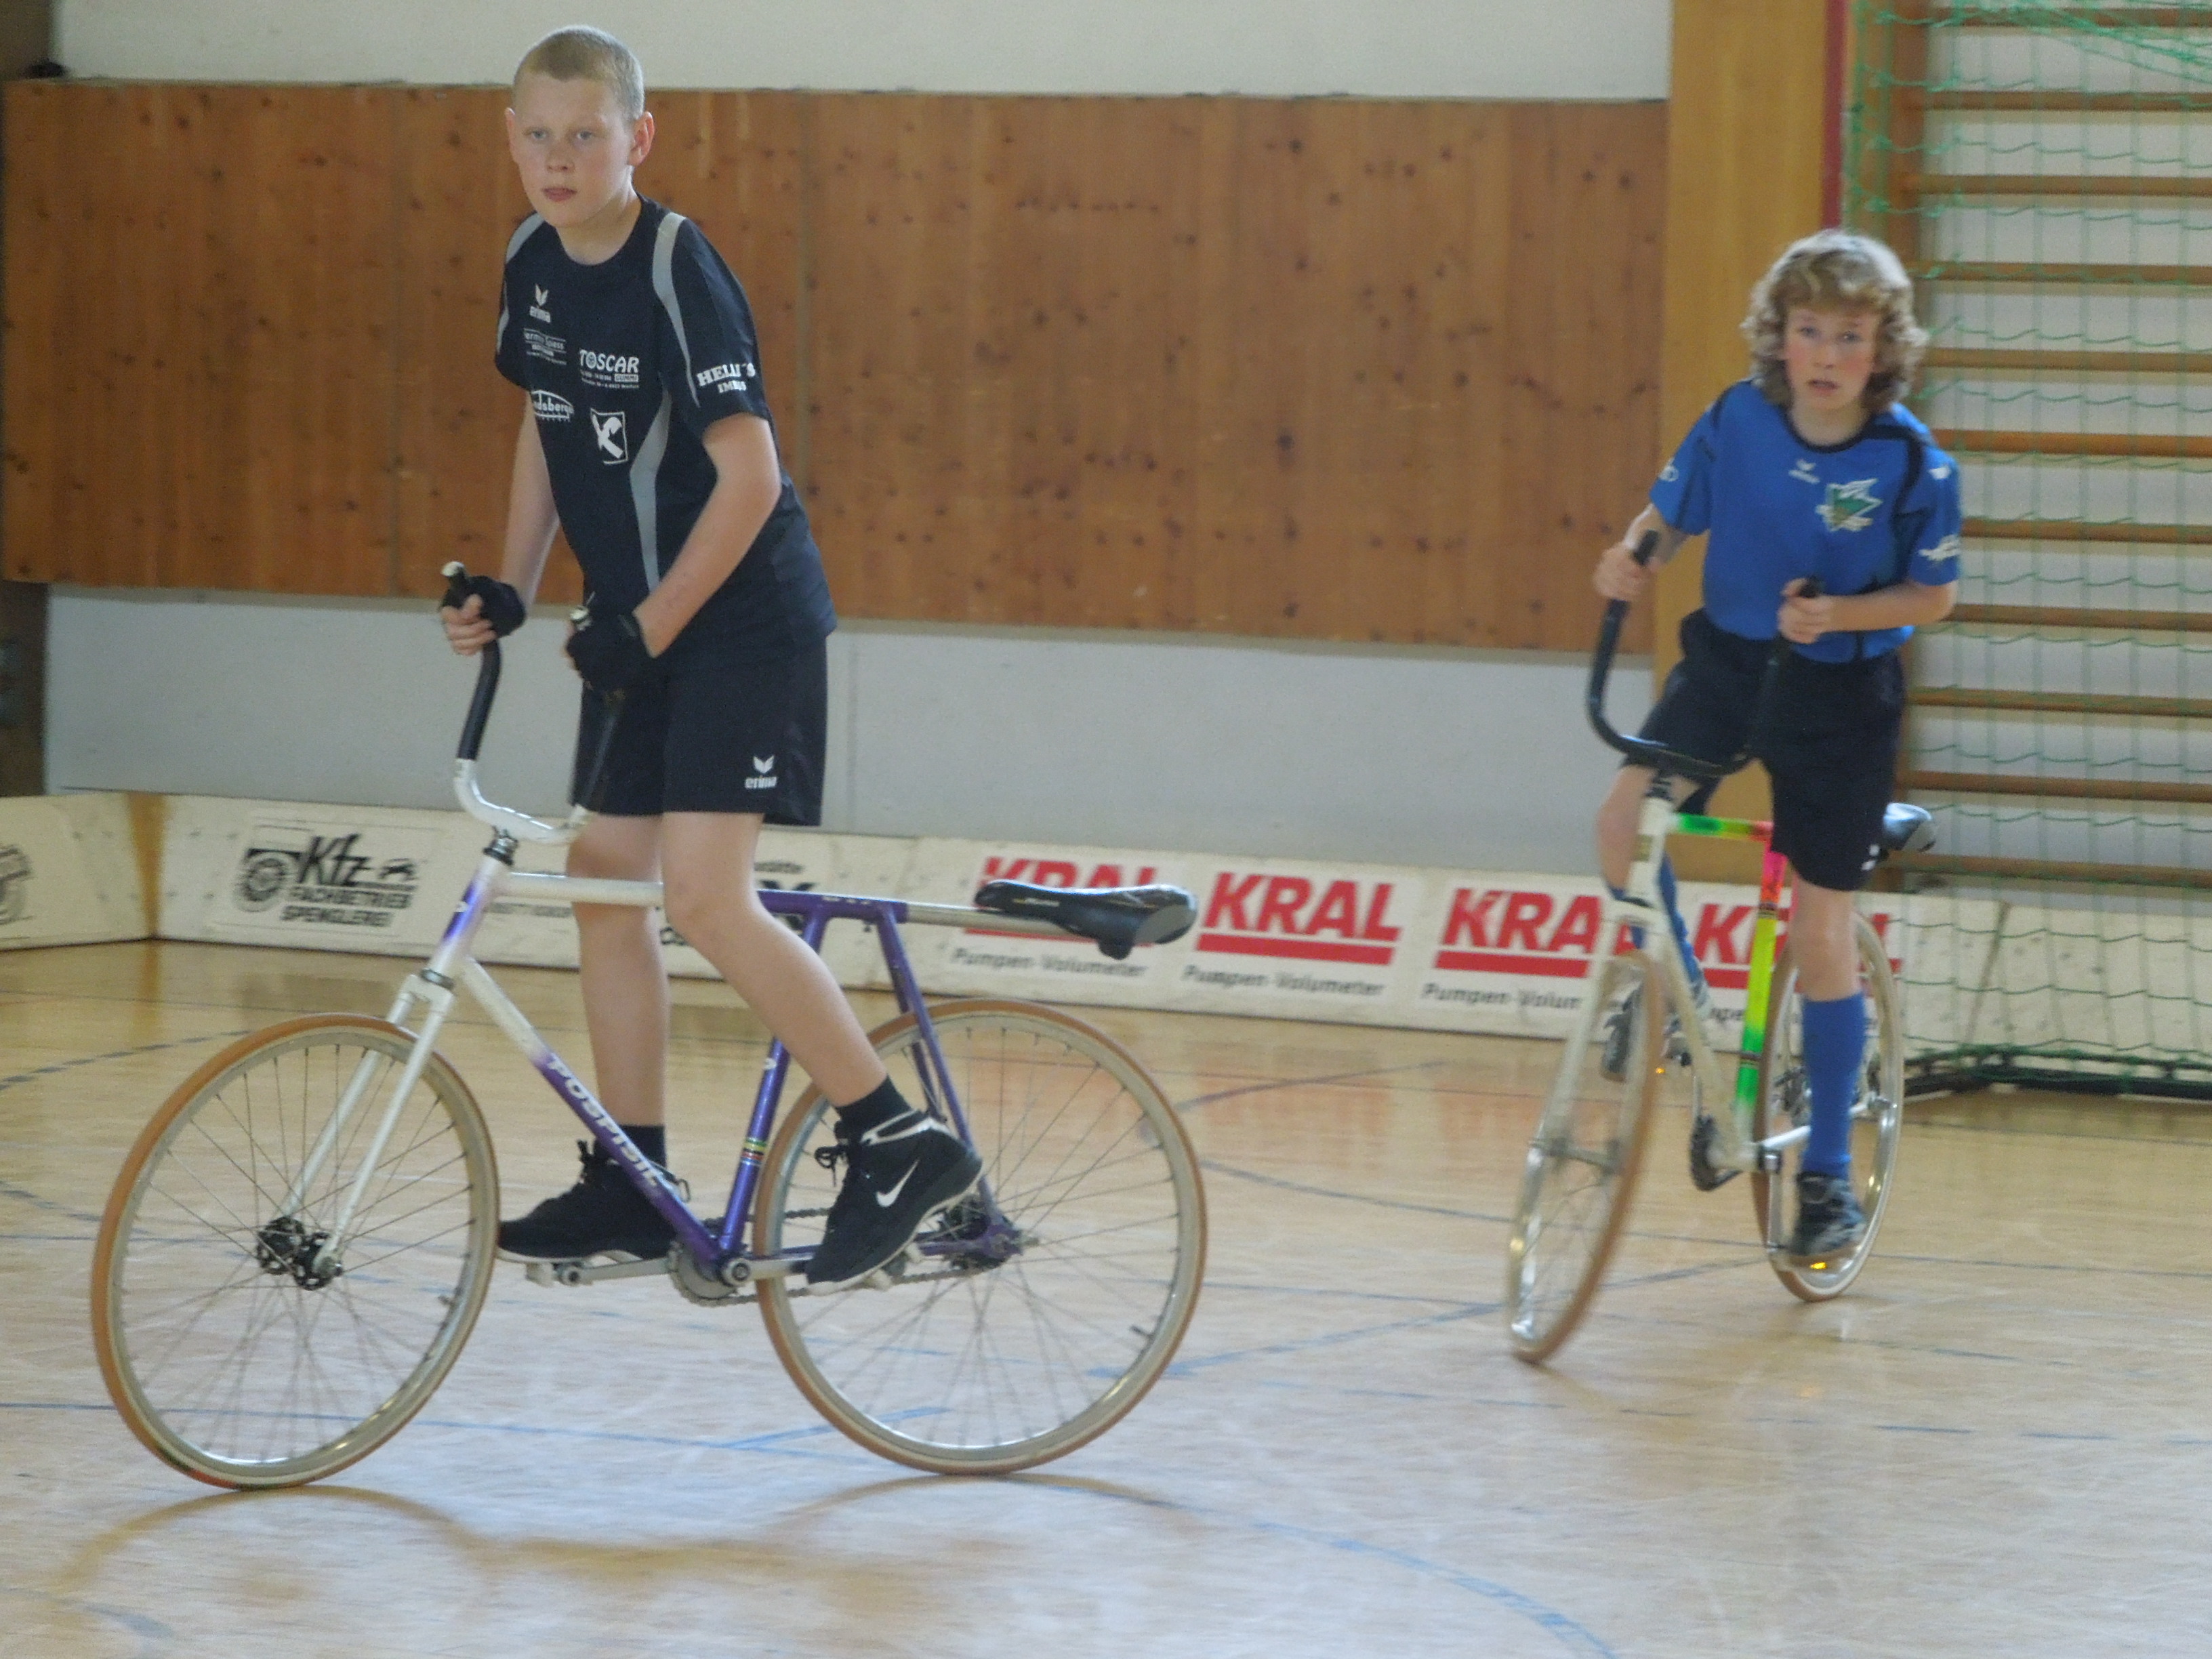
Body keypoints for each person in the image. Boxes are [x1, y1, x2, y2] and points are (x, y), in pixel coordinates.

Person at [438, 26, 979, 1286]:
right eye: (538, 135)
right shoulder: (531, 260)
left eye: (586, 134)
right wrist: (513, 585)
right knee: (603, 874)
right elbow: (547, 421)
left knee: (702, 895)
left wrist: (649, 628)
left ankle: (894, 1136)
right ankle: (634, 1181)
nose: (559, 158)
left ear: (638, 137)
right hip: (646, 629)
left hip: (740, 623)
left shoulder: (678, 266)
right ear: (509, 137)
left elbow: (753, 477)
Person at [1590, 228, 1960, 1264]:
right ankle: (1677, 999)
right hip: (1728, 672)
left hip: (1840, 697)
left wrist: (1839, 616)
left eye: (1849, 335)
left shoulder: (1913, 461)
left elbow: (1932, 595)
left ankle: (1827, 1177)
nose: (1826, 355)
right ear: (1780, 336)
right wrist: (1632, 556)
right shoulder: (1736, 419)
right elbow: (1671, 516)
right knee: (1621, 824)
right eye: (1809, 331)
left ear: (1882, 348)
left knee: (1820, 929)